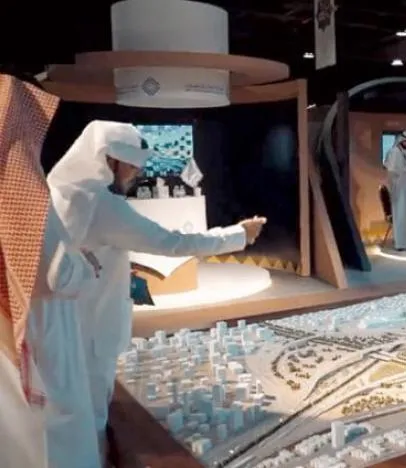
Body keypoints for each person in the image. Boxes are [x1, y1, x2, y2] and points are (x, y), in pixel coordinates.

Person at [46, 120, 268, 459]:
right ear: (110, 159)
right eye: (132, 165)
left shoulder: (61, 190)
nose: (137, 173)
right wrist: (238, 234)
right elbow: (173, 243)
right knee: (91, 418)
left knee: (70, 414)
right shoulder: (102, 206)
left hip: (65, 326)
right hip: (93, 331)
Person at [0, 72, 101, 468]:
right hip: (41, 341)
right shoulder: (18, 191)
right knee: (54, 438)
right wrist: (85, 264)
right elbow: (58, 274)